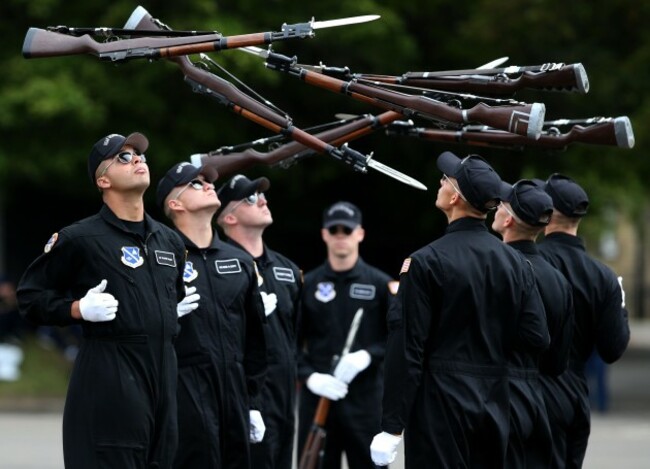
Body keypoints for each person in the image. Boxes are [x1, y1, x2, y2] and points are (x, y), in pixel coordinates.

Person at [16, 132, 195, 468]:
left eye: (139, 154)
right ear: (103, 180)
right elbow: (30, 298)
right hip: (111, 372)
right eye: (123, 157)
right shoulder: (80, 238)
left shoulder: (169, 241)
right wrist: (77, 309)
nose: (138, 160)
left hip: (163, 374)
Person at [370, 152, 549, 468]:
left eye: (446, 179)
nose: (440, 181)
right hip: (495, 399)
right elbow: (536, 336)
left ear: (455, 197)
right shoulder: (517, 263)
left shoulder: (426, 262)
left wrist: (392, 425)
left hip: (440, 403)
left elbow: (407, 347)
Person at [156, 163, 267, 469]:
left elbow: (256, 339)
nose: (207, 185)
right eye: (195, 184)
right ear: (174, 203)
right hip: (183, 389)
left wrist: (253, 402)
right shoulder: (161, 257)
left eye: (207, 181)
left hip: (233, 389)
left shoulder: (240, 261)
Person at [537, 173, 630, 467]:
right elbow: (612, 349)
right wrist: (621, 306)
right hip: (574, 396)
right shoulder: (602, 277)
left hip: (531, 390)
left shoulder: (528, 262)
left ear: (548, 213)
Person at [297, 200, 396, 469]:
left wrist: (368, 355)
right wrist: (309, 377)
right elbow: (289, 344)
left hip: (365, 403)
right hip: (318, 400)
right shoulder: (308, 285)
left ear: (360, 233)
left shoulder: (379, 284)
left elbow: (398, 340)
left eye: (347, 230)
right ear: (324, 234)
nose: (341, 236)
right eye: (334, 230)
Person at [215, 174, 302, 469]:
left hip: (284, 396)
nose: (262, 200)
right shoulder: (221, 267)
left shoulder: (287, 269)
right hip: (245, 394)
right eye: (250, 198)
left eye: (261, 195)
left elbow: (297, 334)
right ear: (228, 217)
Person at [492, 179, 574, 468]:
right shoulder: (558, 280)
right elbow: (557, 362)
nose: (496, 208)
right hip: (539, 400)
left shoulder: (493, 270)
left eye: (501, 205)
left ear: (509, 219)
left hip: (495, 401)